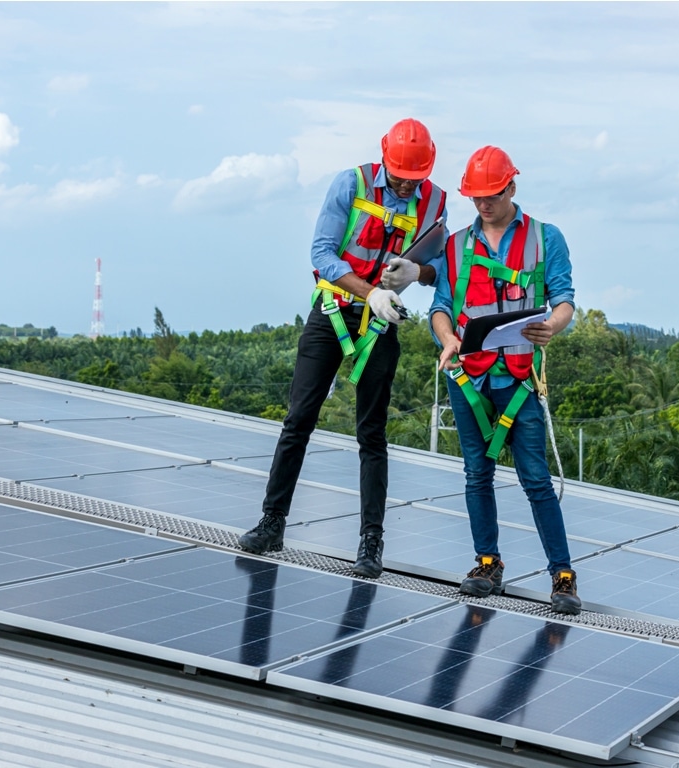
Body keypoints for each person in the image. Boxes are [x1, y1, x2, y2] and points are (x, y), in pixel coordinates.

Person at [239, 118, 448, 579]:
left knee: (371, 434)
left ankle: (370, 544)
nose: (405, 184)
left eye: (414, 178)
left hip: (382, 324)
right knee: (299, 419)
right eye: (399, 175)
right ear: (384, 159)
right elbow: (321, 253)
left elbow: (441, 268)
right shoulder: (350, 184)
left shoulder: (434, 203)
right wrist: (367, 290)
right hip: (333, 312)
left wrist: (417, 274)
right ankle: (272, 522)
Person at [428, 145, 581, 615]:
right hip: (468, 378)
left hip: (518, 377)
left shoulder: (544, 238)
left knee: (535, 478)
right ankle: (488, 563)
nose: (483, 205)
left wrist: (553, 326)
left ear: (512, 188)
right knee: (478, 473)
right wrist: (447, 338)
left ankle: (563, 574)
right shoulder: (456, 245)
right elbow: (440, 307)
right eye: (476, 197)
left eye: (491, 195)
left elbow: (565, 299)